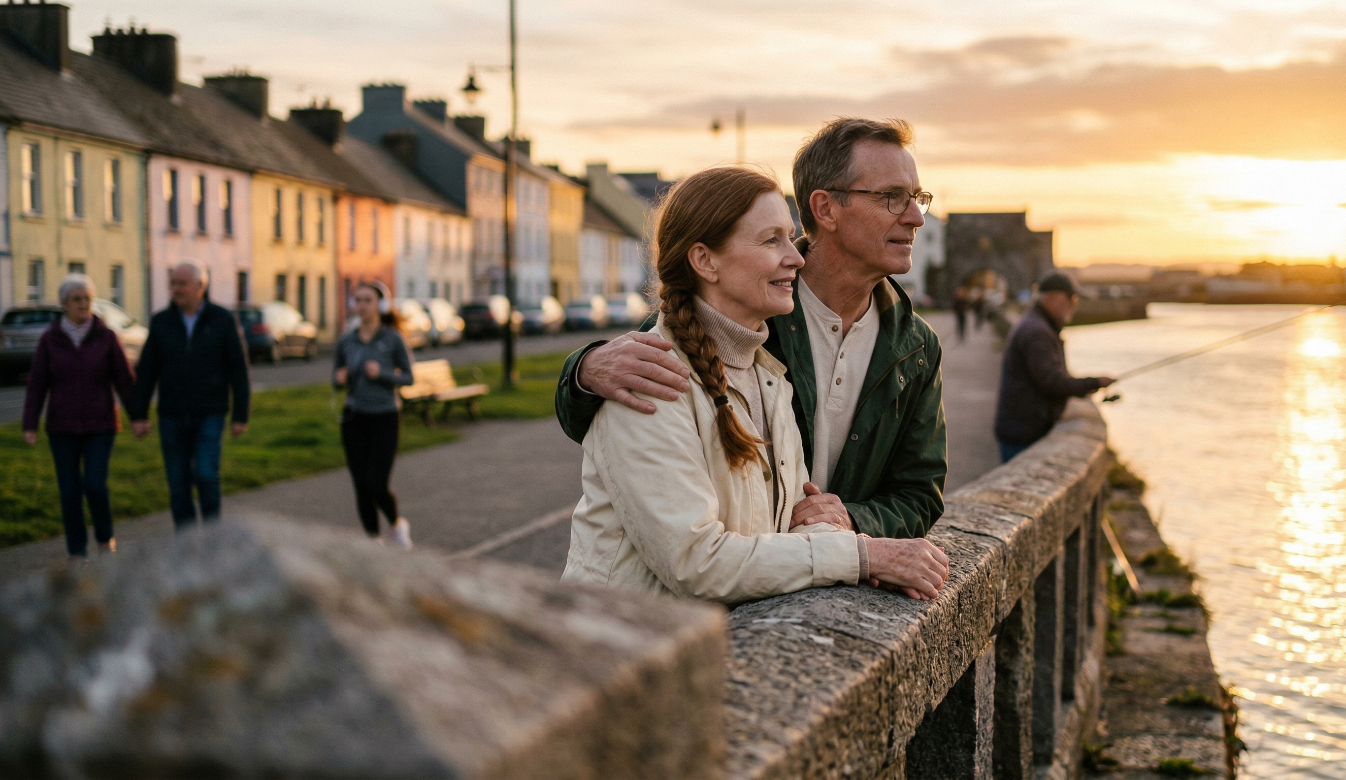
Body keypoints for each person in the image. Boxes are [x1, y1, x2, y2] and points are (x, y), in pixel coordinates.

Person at [561, 166, 949, 603]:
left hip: (706, 648)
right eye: (772, 240)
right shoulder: (648, 376)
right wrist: (863, 556)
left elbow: (797, 521)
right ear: (705, 260)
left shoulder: (770, 377)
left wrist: (864, 546)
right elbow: (696, 562)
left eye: (789, 236)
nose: (797, 258)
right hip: (618, 651)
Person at [128, 261, 250, 529]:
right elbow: (147, 370)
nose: (176, 289)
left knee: (206, 475)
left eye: (182, 283)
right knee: (178, 485)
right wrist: (139, 414)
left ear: (200, 287)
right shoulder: (161, 321)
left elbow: (238, 369)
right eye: (172, 283)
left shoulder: (222, 319)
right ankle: (186, 546)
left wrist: (241, 415)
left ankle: (211, 537)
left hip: (210, 413)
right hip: (171, 415)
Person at [21, 274, 134, 560]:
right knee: (69, 491)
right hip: (61, 427)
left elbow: (124, 379)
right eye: (77, 299)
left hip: (101, 424)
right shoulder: (50, 340)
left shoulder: (106, 336)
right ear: (64, 304)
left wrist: (138, 415)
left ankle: (104, 539)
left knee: (95, 485)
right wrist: (30, 424)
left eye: (87, 298)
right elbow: (37, 383)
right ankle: (77, 553)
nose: (83, 304)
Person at [993, 272, 1115, 462]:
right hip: (1024, 435)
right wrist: (1095, 382)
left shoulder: (1036, 324)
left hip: (1018, 429)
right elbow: (1052, 382)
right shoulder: (1038, 333)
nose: (1074, 305)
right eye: (1072, 298)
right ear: (1054, 298)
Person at [334, 281, 415, 548]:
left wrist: (380, 374)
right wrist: (339, 378)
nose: (362, 305)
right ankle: (373, 541)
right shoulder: (346, 341)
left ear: (380, 305)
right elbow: (337, 379)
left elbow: (409, 377)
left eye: (368, 300)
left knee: (377, 483)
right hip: (354, 418)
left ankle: (396, 524)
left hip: (385, 416)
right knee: (361, 485)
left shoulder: (392, 339)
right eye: (357, 300)